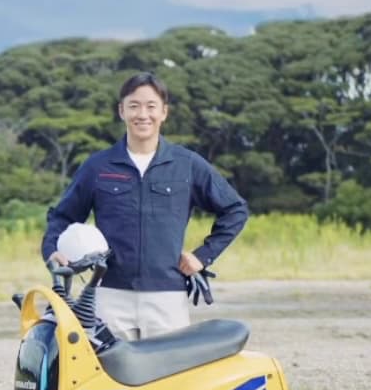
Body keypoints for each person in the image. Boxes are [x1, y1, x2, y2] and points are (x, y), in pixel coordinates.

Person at [41, 72, 249, 340]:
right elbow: (62, 216)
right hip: (108, 295)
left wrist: (202, 256)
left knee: (169, 378)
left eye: (151, 106)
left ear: (164, 112)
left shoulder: (187, 164)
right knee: (109, 378)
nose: (143, 114)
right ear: (121, 111)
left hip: (167, 297)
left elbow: (235, 210)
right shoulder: (98, 166)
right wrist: (52, 250)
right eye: (134, 106)